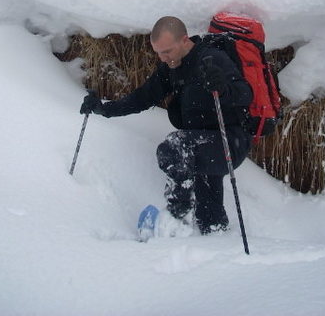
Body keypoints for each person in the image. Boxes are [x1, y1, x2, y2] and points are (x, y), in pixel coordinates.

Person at [80, 16, 253, 235]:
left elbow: (246, 94)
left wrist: (223, 87)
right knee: (209, 216)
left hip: (230, 142)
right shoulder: (171, 67)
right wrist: (103, 109)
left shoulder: (212, 59)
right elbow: (141, 98)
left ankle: (175, 218)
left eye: (167, 51)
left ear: (184, 40)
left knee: (174, 147)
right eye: (159, 53)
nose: (163, 58)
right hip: (201, 143)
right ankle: (217, 239)